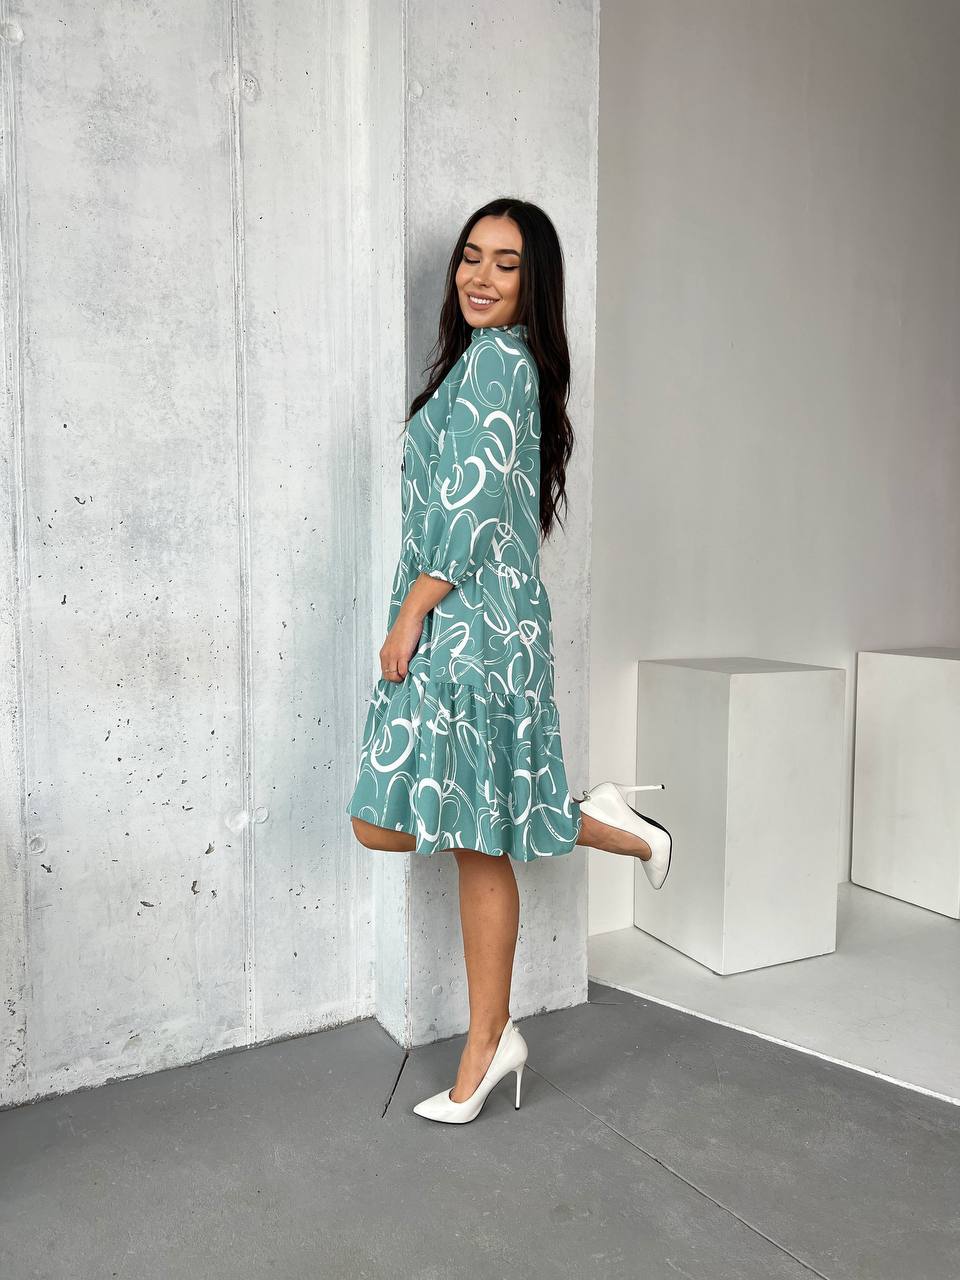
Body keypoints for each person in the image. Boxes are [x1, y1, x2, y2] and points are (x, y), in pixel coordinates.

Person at [346, 198, 673, 1124]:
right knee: (450, 825)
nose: (480, 276)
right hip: (483, 621)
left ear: (535, 284)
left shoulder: (498, 361)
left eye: (506, 263)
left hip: (471, 627)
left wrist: (412, 613)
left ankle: (488, 1044)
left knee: (468, 832)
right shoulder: (488, 361)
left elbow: (475, 502)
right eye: (470, 256)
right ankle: (606, 825)